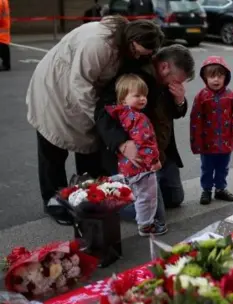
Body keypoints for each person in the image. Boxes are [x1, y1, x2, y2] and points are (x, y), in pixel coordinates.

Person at [26, 17, 164, 225]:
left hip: (83, 95)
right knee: (53, 148)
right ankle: (54, 202)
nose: (137, 57)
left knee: (88, 148)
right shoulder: (99, 44)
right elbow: (80, 84)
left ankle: (86, 199)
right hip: (54, 91)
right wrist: (102, 118)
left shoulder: (126, 43)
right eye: (137, 52)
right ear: (131, 40)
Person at [96, 44, 195, 219]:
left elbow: (175, 111)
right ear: (164, 67)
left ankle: (146, 195)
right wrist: (122, 143)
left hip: (160, 153)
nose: (176, 85)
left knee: (175, 198)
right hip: (135, 157)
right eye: (176, 80)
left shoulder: (165, 81)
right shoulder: (135, 77)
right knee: (154, 214)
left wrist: (179, 100)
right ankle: (100, 201)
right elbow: (103, 113)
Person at [106, 74, 166, 236]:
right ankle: (146, 226)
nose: (142, 99)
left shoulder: (122, 115)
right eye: (137, 95)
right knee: (147, 198)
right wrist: (154, 161)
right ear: (123, 100)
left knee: (137, 194)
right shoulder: (138, 118)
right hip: (142, 166)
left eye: (144, 95)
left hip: (128, 166)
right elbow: (145, 142)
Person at [190, 56, 233, 205]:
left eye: (220, 76)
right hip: (207, 142)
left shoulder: (230, 95)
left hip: (226, 141)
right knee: (207, 168)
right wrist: (196, 142)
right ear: (205, 77)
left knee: (223, 167)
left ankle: (220, 189)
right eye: (212, 76)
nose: (216, 80)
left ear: (226, 77)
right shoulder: (201, 97)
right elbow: (195, 120)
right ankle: (206, 190)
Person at [0, 0, 10, 71]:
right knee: (3, 45)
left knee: (2, 46)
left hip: (1, 27)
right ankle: (6, 64)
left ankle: (6, 65)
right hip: (4, 26)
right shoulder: (4, 0)